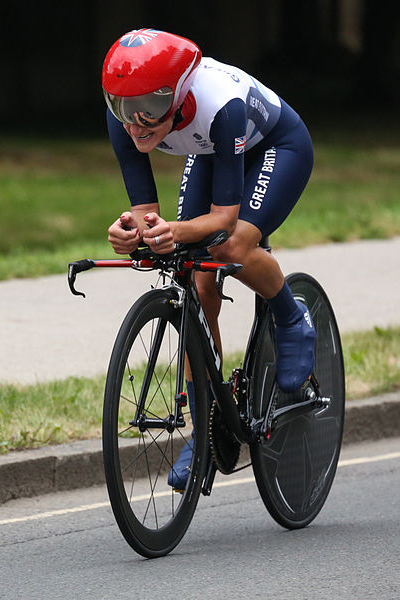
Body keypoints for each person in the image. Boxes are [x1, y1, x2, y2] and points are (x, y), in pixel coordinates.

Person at [103, 28, 316, 490]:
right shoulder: (125, 117)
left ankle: (292, 316)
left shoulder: (221, 105)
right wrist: (133, 233)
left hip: (276, 148)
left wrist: (174, 231)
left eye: (150, 110)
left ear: (178, 95)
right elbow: (147, 214)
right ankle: (207, 427)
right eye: (123, 108)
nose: (136, 124)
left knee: (229, 246)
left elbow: (223, 220)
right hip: (213, 151)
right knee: (196, 279)